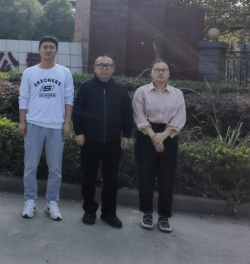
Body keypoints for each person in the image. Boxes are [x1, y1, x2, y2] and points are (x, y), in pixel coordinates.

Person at [73, 56, 133, 228]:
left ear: (113, 68)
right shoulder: (86, 87)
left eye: (108, 65)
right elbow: (78, 111)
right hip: (90, 139)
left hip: (113, 140)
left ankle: (109, 213)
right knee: (89, 177)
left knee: (111, 179)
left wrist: (126, 135)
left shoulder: (120, 88)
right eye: (101, 65)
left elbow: (127, 112)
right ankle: (89, 210)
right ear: (95, 68)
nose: (104, 68)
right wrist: (79, 132)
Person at [19, 36, 74, 221]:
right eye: (45, 47)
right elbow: (23, 98)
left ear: (56, 50)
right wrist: (22, 121)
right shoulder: (29, 72)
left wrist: (67, 123)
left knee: (55, 169)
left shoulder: (64, 72)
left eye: (51, 47)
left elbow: (69, 98)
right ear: (39, 50)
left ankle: (52, 202)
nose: (48, 50)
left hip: (56, 126)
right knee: (30, 167)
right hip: (33, 124)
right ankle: (30, 201)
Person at [132, 59, 186, 233]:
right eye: (157, 70)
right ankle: (147, 213)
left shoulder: (177, 94)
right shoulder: (142, 92)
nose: (160, 73)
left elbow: (180, 117)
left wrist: (163, 136)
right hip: (146, 135)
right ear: (151, 73)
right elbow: (139, 115)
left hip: (169, 136)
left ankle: (164, 216)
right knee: (145, 176)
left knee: (167, 178)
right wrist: (154, 136)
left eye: (164, 70)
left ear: (169, 73)